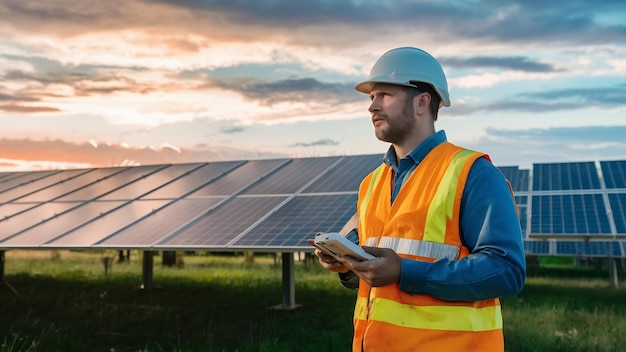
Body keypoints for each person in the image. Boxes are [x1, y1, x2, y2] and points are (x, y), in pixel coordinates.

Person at [310, 47, 526, 351]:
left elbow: (507, 271)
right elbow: (378, 277)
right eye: (371, 96)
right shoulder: (371, 184)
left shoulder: (472, 173)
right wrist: (347, 264)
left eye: (385, 94)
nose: (372, 106)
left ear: (422, 102)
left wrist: (405, 272)